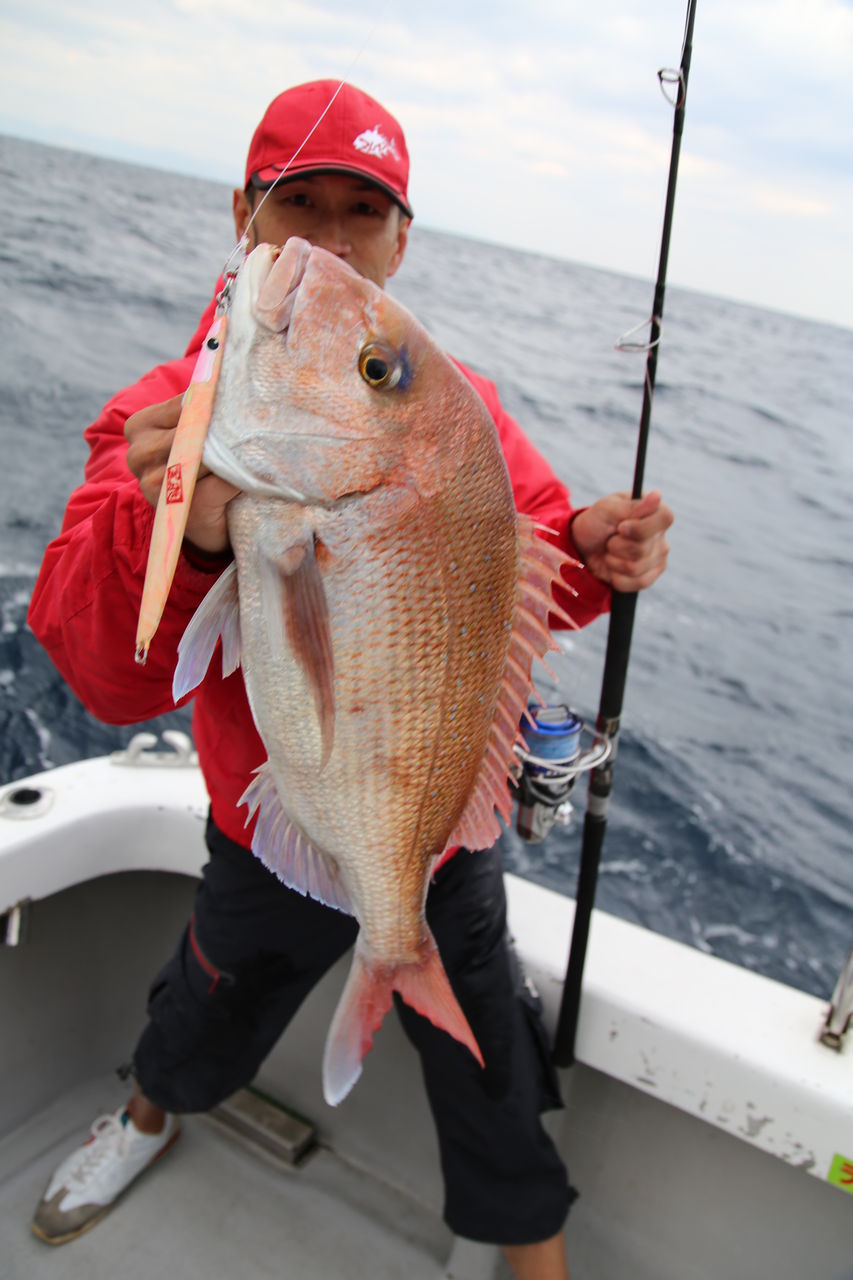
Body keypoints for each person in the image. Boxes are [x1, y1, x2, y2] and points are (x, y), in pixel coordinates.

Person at [27, 80, 672, 1278]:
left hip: (434, 831)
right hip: (266, 824)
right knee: (201, 1014)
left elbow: (513, 571)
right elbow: (104, 675)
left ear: (401, 239)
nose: (327, 241)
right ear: (243, 216)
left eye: (361, 212)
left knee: (490, 1063)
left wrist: (585, 549)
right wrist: (176, 530)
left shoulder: (452, 409)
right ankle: (145, 1115)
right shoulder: (156, 420)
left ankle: (533, 1249)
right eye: (298, 204)